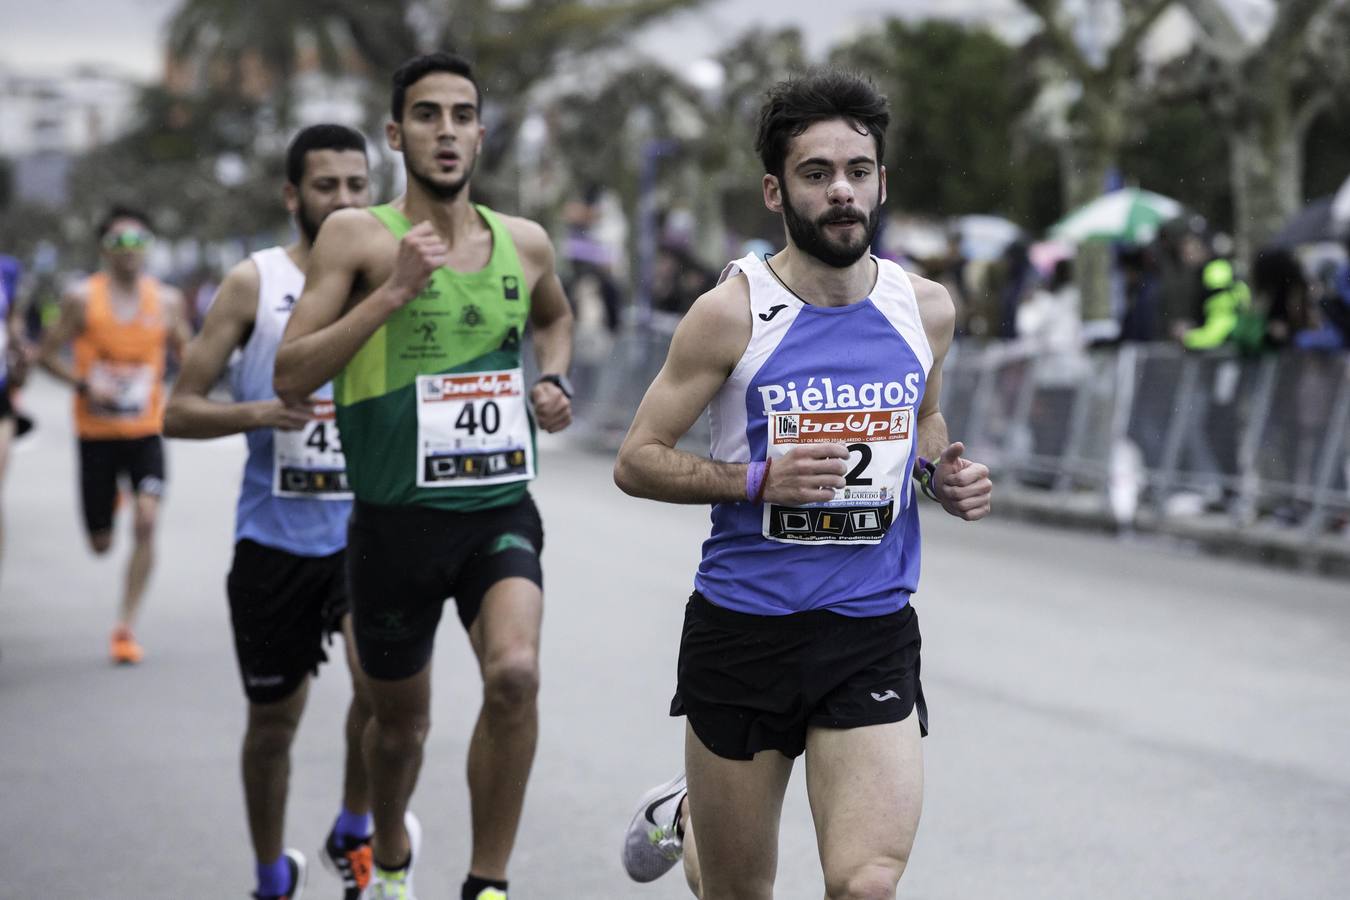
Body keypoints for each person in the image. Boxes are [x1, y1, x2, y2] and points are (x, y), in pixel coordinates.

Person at [612, 69, 993, 900]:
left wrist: (940, 470)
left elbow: (923, 418)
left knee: (866, 885)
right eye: (816, 174)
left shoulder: (924, 308)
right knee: (739, 890)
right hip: (744, 630)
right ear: (776, 191)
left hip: (867, 630)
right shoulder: (731, 314)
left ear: (882, 182)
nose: (842, 191)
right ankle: (689, 819)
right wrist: (757, 478)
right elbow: (637, 458)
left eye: (858, 170)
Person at [273, 52, 575, 900]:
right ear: (397, 133)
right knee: (399, 728)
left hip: (496, 511)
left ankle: (488, 882)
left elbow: (556, 318)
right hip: (393, 527)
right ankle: (392, 854)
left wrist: (554, 379)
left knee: (515, 675)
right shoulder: (356, 237)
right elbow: (291, 375)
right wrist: (390, 296)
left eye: (463, 114)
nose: (448, 131)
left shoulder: (525, 241)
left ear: (483, 131)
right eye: (429, 115)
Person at [163, 124, 377, 900]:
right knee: (273, 727)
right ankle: (270, 876)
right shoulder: (254, 284)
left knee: (383, 692)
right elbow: (177, 411)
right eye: (328, 186)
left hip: (367, 536)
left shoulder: (390, 280)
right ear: (294, 197)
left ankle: (355, 830)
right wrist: (259, 413)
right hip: (273, 542)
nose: (346, 200)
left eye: (358, 185)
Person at [39, 206, 191, 664]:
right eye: (121, 242)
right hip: (97, 433)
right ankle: (114, 500)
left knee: (147, 522)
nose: (132, 250)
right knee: (101, 544)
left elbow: (190, 354)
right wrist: (86, 385)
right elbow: (47, 355)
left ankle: (125, 627)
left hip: (146, 430)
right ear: (104, 248)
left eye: (140, 240)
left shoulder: (165, 301)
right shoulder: (82, 299)